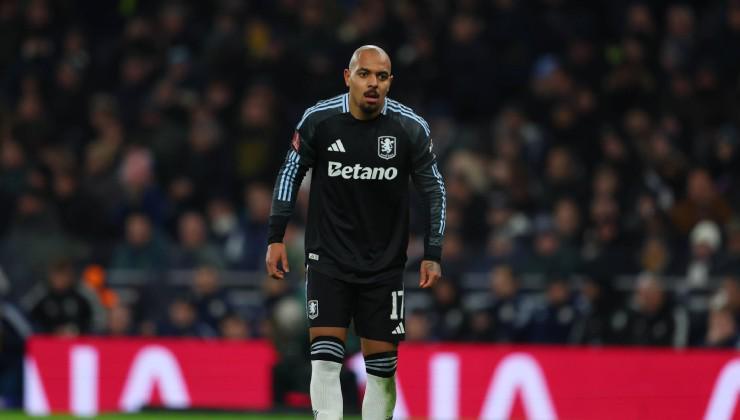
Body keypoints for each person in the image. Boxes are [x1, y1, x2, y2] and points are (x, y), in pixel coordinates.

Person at [265, 45, 446, 420]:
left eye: (381, 76)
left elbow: (435, 190)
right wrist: (275, 237)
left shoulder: (409, 128)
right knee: (325, 360)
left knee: (382, 371)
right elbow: (289, 173)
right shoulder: (320, 119)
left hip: (384, 265)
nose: (373, 83)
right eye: (365, 74)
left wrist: (433, 252)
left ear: (390, 82)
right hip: (328, 258)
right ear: (348, 77)